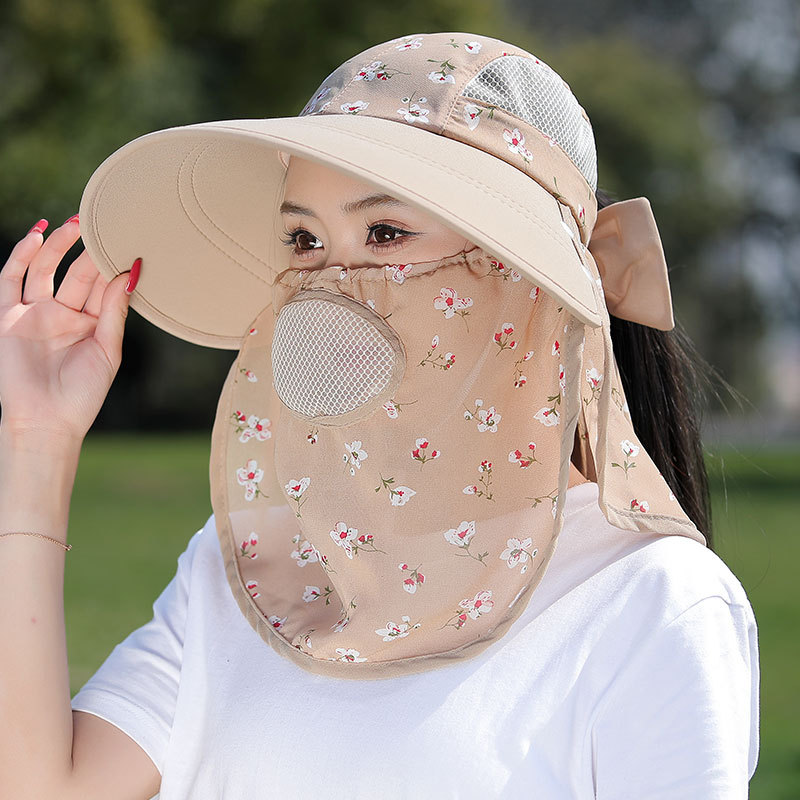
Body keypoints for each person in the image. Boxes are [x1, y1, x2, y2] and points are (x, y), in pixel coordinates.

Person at [0, 32, 759, 799]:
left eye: (386, 233)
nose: (331, 284)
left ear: (525, 275)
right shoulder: (256, 567)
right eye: (304, 240)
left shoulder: (651, 599)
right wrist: (38, 437)